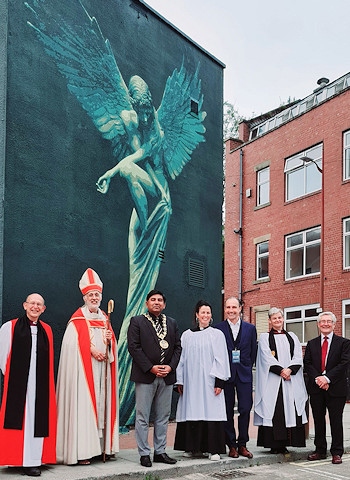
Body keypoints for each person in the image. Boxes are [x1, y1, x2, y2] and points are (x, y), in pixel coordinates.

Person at [56, 268, 119, 465]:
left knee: (104, 406)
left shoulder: (104, 318)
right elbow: (70, 346)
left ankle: (103, 448)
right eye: (90, 294)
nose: (94, 297)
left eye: (97, 294)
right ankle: (83, 451)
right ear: (84, 296)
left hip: (103, 371)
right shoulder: (76, 320)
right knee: (84, 408)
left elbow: (112, 349)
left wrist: (110, 345)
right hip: (83, 374)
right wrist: (91, 351)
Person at [0, 293, 56, 477]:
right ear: (25, 305)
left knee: (36, 419)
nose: (35, 307)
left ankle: (32, 460)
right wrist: (15, 378)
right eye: (32, 303)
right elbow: (3, 358)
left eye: (39, 304)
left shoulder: (47, 330)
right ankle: (16, 459)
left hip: (40, 384)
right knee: (19, 418)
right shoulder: (10, 327)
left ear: (44, 308)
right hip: (18, 383)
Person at [127, 289, 181, 467]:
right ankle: (144, 453)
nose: (156, 302)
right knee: (142, 416)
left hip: (166, 376)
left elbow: (178, 348)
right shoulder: (137, 322)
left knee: (163, 416)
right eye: (153, 300)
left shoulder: (171, 323)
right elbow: (134, 347)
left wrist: (170, 366)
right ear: (146, 303)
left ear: (164, 304)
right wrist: (150, 368)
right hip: (145, 376)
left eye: (160, 300)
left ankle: (160, 451)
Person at [174, 300, 230, 461]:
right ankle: (193, 448)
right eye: (202, 312)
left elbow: (222, 359)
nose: (205, 315)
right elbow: (181, 360)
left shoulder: (217, 334)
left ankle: (214, 450)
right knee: (192, 411)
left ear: (211, 316)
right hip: (191, 383)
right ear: (197, 315)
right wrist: (180, 381)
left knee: (211, 412)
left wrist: (220, 382)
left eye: (208, 312)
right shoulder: (187, 335)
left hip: (210, 383)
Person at [254, 307, 308, 454]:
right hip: (273, 380)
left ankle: (288, 443)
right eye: (274, 318)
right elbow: (266, 357)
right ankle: (275, 445)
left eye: (280, 318)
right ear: (270, 321)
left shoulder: (292, 336)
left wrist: (290, 370)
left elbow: (298, 356)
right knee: (276, 410)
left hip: (291, 379)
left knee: (291, 409)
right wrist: (281, 371)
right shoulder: (265, 337)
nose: (277, 320)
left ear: (283, 319)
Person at [304, 311, 350, 465]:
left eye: (328, 321)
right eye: (322, 321)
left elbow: (344, 364)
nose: (325, 324)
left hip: (336, 388)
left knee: (336, 420)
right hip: (317, 388)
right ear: (318, 324)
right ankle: (320, 450)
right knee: (318, 420)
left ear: (334, 324)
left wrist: (327, 378)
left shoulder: (344, 343)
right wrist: (319, 379)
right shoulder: (311, 343)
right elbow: (308, 364)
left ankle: (337, 452)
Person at [215, 296, 257, 459]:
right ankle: (231, 445)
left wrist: (246, 366)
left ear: (240, 308)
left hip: (244, 374)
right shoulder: (218, 329)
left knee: (245, 408)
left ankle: (242, 444)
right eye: (228, 308)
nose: (231, 311)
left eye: (234, 307)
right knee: (227, 410)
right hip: (225, 375)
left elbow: (253, 351)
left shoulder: (250, 328)